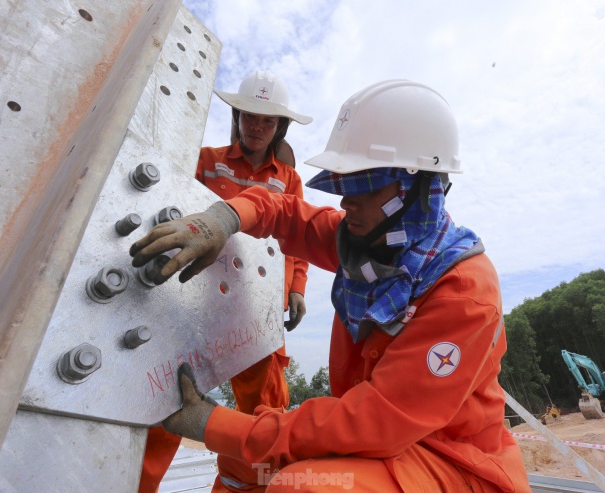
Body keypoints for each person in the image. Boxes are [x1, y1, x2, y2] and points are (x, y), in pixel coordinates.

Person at [130, 80, 531, 492]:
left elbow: (375, 421)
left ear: (414, 190)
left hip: (454, 465)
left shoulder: (463, 292)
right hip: (382, 444)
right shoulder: (369, 242)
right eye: (344, 185)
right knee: (247, 457)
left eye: (363, 187)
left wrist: (213, 424)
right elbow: (286, 213)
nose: (345, 203)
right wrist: (222, 219)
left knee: (304, 486)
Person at [138, 70, 312, 493]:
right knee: (168, 398)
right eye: (249, 117)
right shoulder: (206, 160)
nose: (257, 127)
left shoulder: (288, 180)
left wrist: (296, 289)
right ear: (236, 116)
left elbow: (298, 240)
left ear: (279, 128)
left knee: (264, 410)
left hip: (258, 309)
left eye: (267, 121)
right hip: (192, 300)